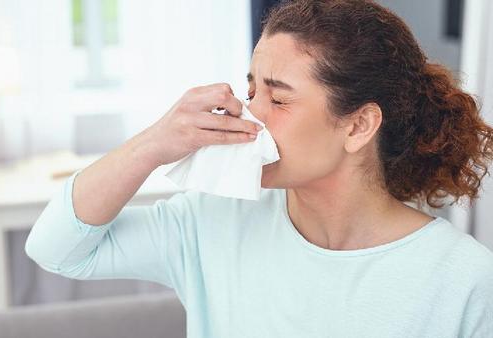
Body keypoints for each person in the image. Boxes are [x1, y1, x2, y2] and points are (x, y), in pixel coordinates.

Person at [25, 0, 493, 337]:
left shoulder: (463, 279)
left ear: (358, 126)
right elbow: (57, 249)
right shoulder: (211, 221)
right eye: (252, 93)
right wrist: (153, 144)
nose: (251, 114)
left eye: (279, 98)